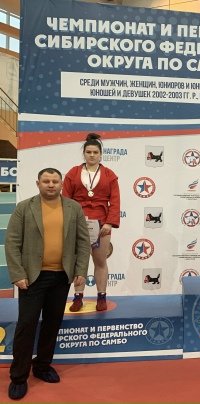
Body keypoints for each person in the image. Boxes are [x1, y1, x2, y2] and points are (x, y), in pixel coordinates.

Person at [6, 168, 90, 400]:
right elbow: (12, 242)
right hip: (31, 278)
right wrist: (18, 273)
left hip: (61, 277)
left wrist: (80, 270)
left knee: (52, 324)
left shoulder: (74, 208)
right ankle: (18, 377)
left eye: (55, 181)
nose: (51, 185)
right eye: (46, 181)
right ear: (38, 183)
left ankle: (42, 366)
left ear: (61, 184)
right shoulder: (24, 207)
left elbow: (83, 243)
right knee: (27, 326)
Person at [62, 133, 120, 311]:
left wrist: (109, 223)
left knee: (100, 262)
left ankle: (101, 297)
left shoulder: (109, 175)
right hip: (77, 222)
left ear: (101, 154)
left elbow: (115, 200)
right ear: (84, 153)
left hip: (102, 223)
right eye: (88, 152)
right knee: (78, 262)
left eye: (95, 152)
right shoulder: (73, 173)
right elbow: (66, 199)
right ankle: (78, 297)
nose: (92, 155)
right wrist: (69, 222)